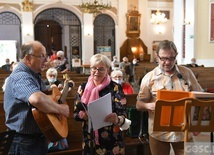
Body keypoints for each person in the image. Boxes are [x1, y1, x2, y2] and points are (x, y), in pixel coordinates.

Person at [136, 40, 203, 155]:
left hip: (184, 130)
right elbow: (139, 104)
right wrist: (148, 105)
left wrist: (198, 123)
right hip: (158, 132)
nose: (167, 62)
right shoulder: (149, 77)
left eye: (171, 58)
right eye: (163, 58)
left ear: (176, 56)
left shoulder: (187, 73)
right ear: (157, 57)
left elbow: (200, 98)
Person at [3, 40, 70, 155]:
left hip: (34, 140)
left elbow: (44, 98)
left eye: (46, 56)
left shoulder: (34, 75)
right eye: (41, 56)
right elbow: (37, 99)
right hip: (23, 142)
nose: (47, 60)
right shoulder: (21, 76)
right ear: (28, 58)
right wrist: (61, 109)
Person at [73, 53, 131, 155]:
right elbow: (75, 114)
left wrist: (117, 118)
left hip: (112, 139)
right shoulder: (83, 88)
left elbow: (124, 114)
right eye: (94, 68)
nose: (96, 72)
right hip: (90, 138)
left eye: (101, 69)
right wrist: (83, 115)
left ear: (108, 69)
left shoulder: (115, 88)